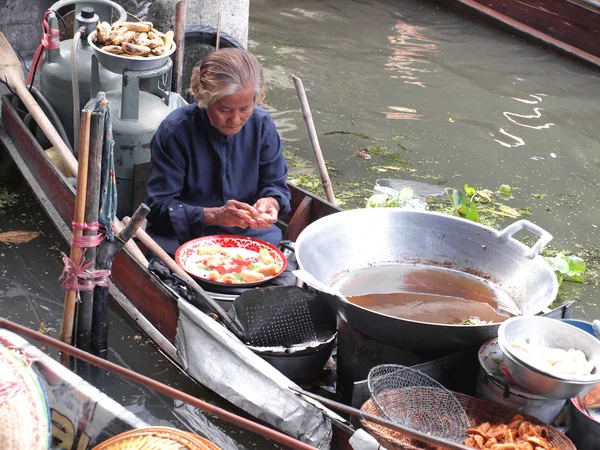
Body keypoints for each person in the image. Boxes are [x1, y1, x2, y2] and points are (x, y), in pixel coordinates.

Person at [145, 48, 292, 257]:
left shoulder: (262, 125)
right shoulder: (175, 132)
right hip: (184, 239)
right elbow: (159, 208)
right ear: (205, 101)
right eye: (225, 110)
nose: (235, 119)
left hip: (248, 236)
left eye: (245, 109)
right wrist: (214, 216)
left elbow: (276, 185)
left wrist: (271, 202)